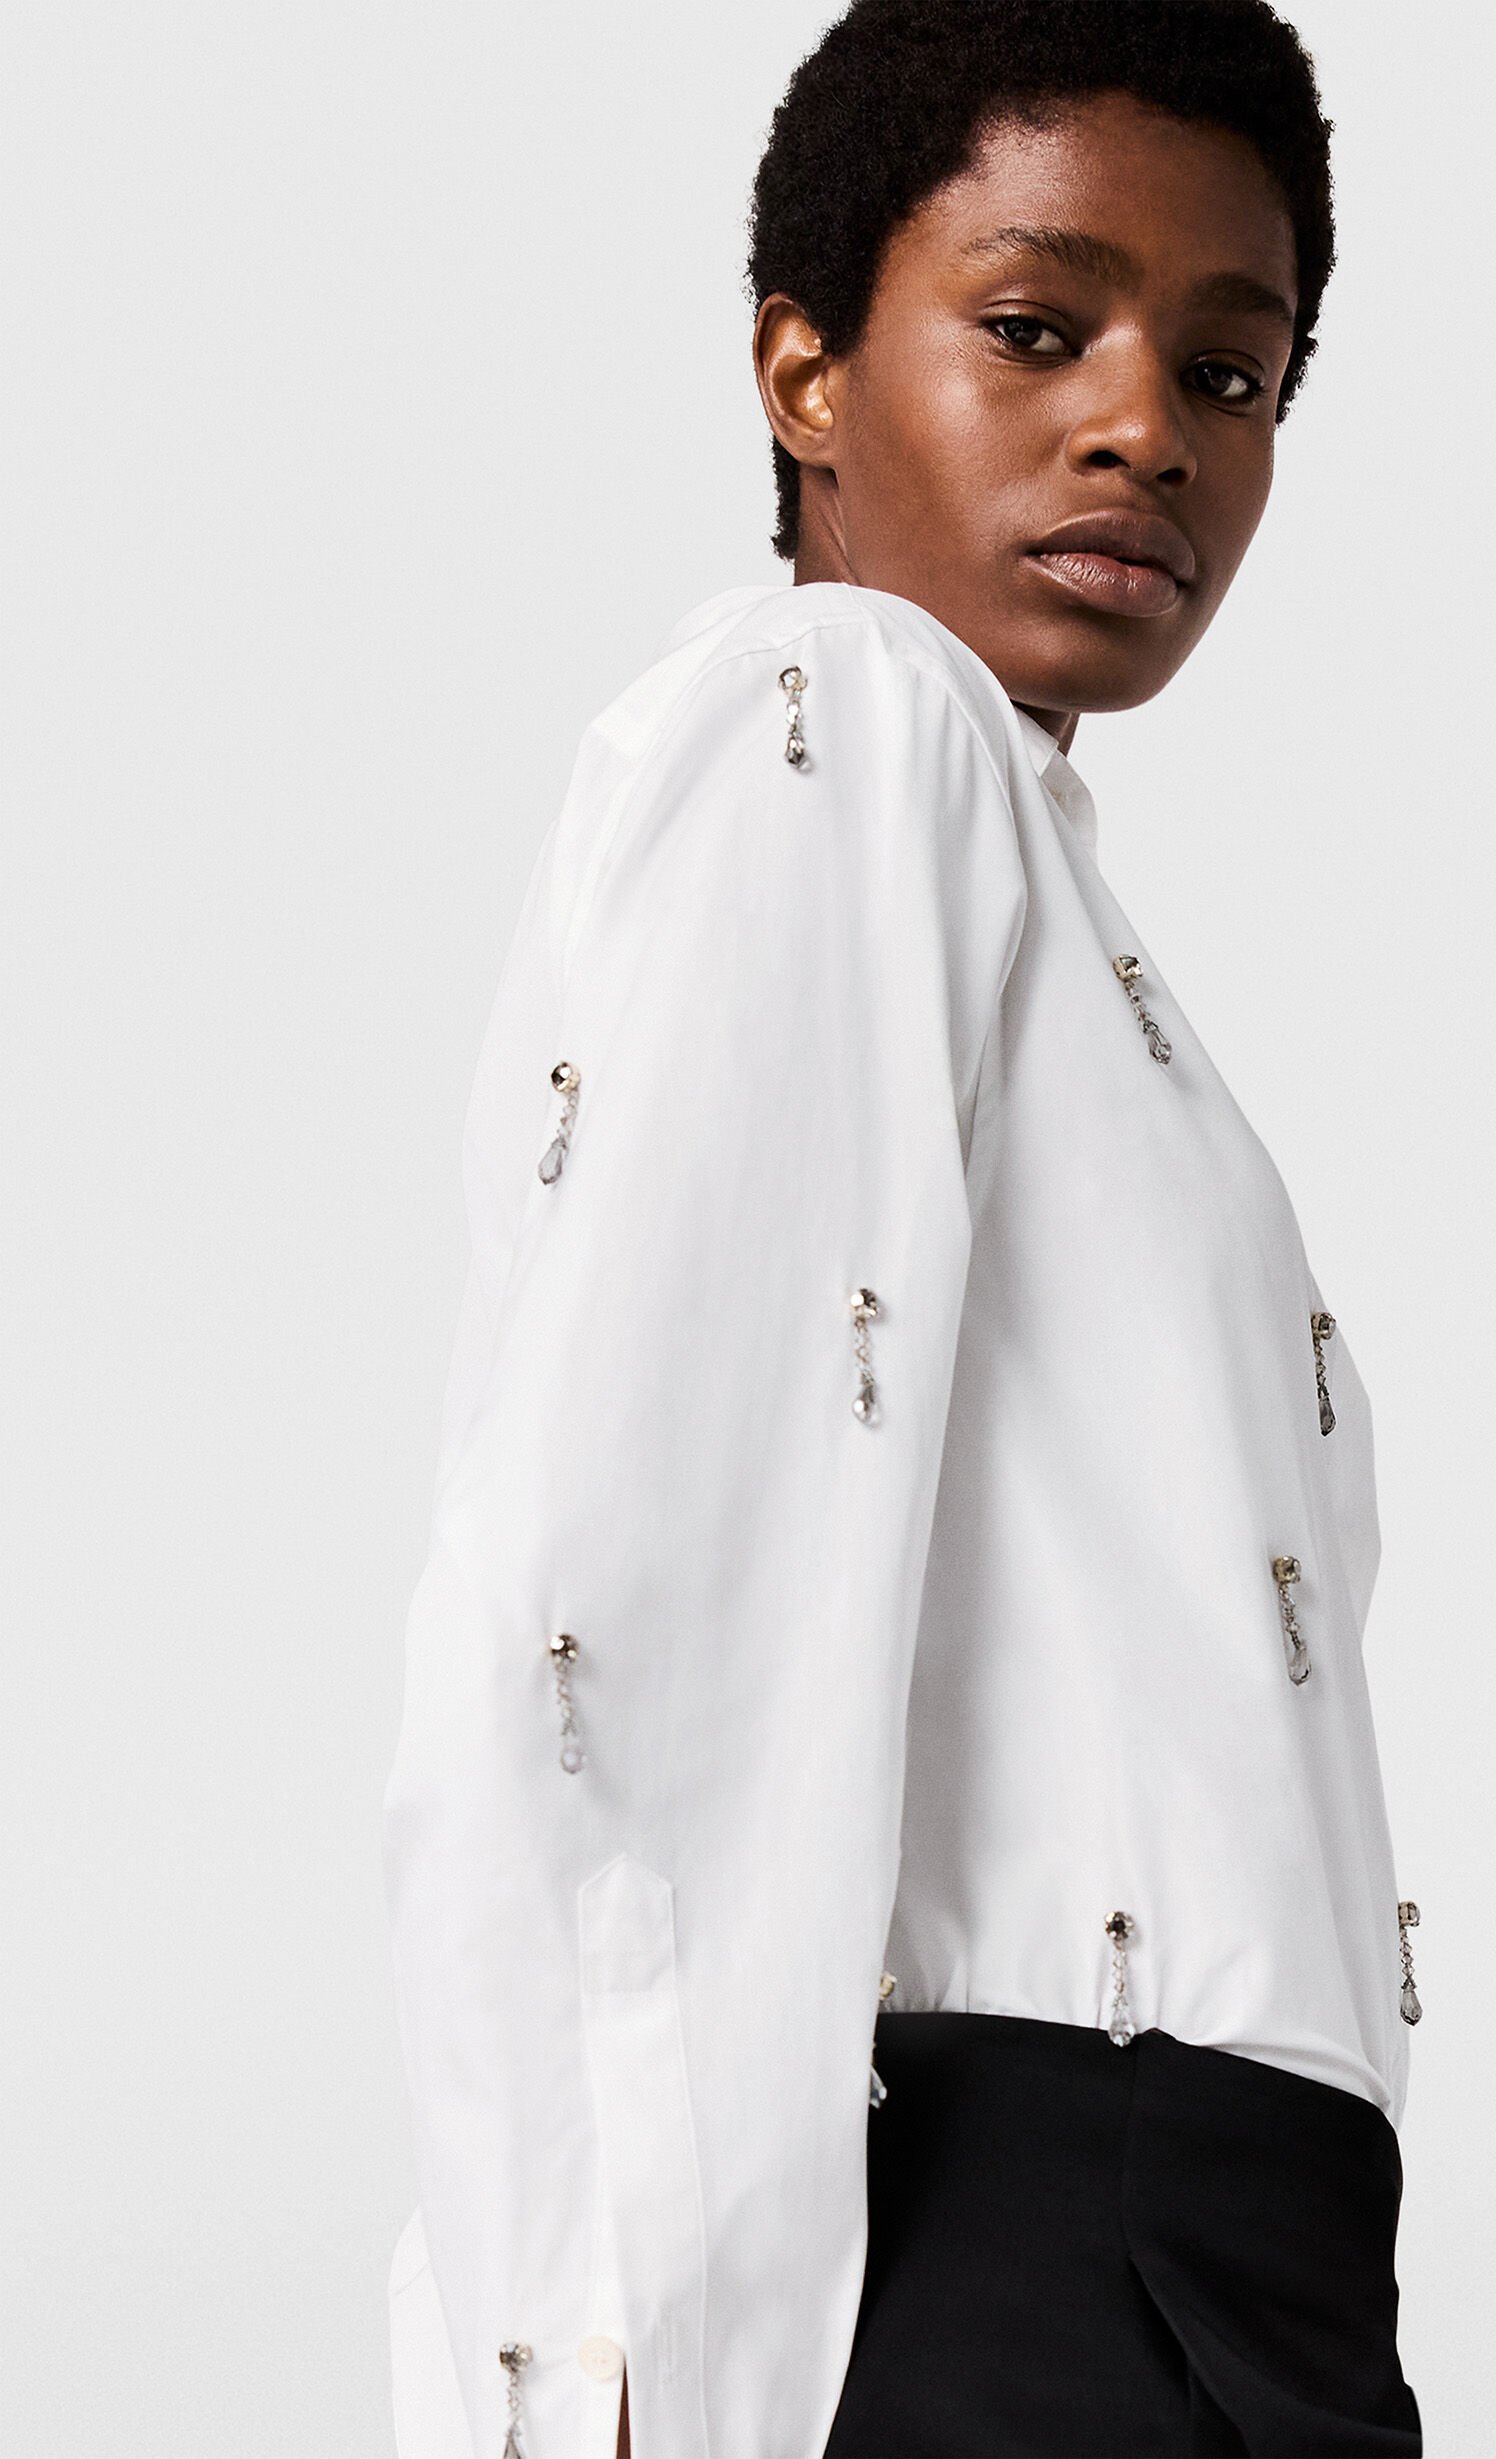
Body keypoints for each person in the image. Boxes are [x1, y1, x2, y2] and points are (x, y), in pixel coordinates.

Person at [384, 2, 1424, 2452]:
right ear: (805, 373)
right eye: (1036, 328)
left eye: (1233, 371)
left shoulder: (1026, 890)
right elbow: (618, 1624)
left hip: (1222, 2271)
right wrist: (603, 2371)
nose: (1146, 428)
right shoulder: (838, 716)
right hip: (1021, 2254)